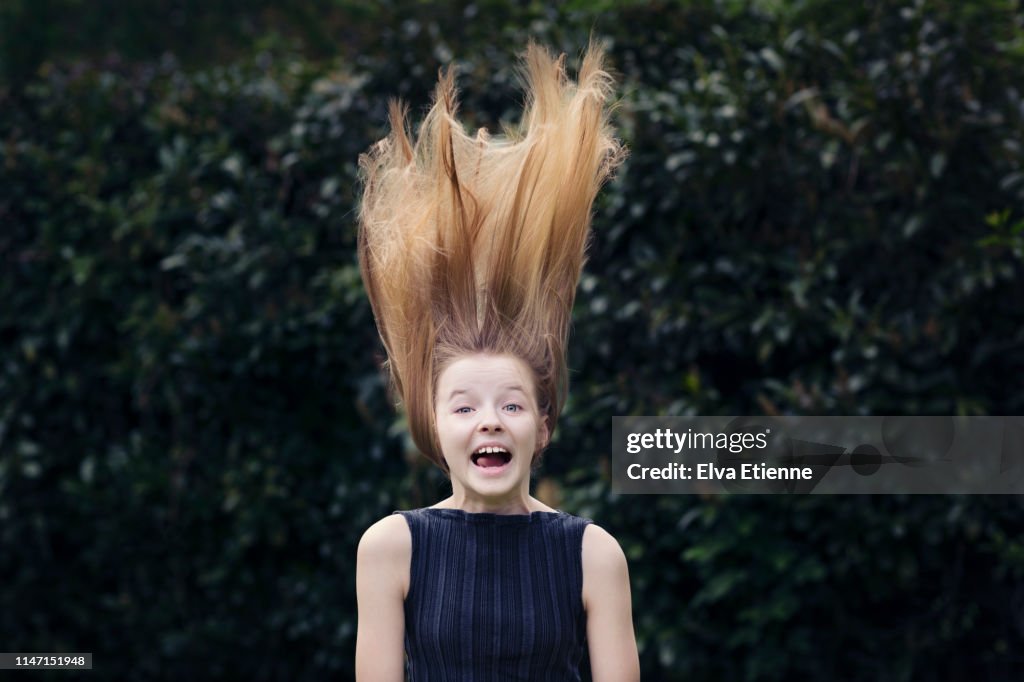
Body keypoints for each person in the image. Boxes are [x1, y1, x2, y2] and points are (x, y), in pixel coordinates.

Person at [354, 41, 640, 681]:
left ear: (542, 426)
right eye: (465, 406)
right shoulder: (391, 549)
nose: (489, 421)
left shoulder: (594, 555)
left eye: (511, 405)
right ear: (435, 424)